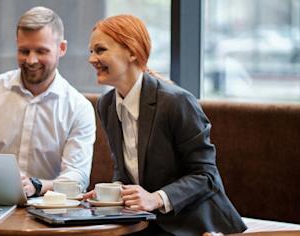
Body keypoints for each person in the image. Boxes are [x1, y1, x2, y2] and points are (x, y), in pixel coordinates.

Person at [85, 15, 246, 235]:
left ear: (132, 52)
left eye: (100, 50)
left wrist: (156, 198)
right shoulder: (106, 104)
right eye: (91, 51)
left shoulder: (175, 102)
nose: (92, 59)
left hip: (192, 224)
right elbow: (125, 171)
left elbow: (206, 176)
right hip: (144, 224)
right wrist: (109, 194)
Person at [0, 6, 96, 198]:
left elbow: (77, 178)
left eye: (41, 51)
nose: (31, 60)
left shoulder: (79, 107)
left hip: (47, 208)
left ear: (61, 48)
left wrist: (36, 186)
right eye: (24, 51)